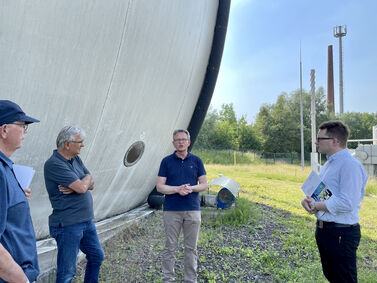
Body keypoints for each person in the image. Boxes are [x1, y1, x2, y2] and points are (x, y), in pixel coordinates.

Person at [301, 120, 367, 283]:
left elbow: (347, 203)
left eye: (319, 138)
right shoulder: (329, 164)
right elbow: (326, 196)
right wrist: (310, 203)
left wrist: (316, 205)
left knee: (344, 279)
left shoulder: (349, 166)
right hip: (326, 232)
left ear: (335, 141)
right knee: (332, 276)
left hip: (341, 234)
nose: (316, 142)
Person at [44, 126, 104, 283]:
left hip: (86, 221)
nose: (82, 145)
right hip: (68, 225)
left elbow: (90, 183)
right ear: (67, 144)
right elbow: (84, 186)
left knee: (97, 256)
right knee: (67, 272)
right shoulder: (54, 164)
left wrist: (80, 184)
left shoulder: (75, 159)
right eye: (80, 142)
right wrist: (81, 185)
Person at [156, 129, 208, 283]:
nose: (180, 142)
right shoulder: (166, 161)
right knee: (170, 247)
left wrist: (190, 188)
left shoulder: (197, 161)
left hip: (192, 209)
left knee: (191, 248)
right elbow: (160, 187)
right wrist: (177, 189)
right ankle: (168, 279)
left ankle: (190, 280)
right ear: (173, 143)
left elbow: (204, 184)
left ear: (188, 142)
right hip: (172, 211)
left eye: (183, 139)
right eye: (177, 140)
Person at [0, 100, 40, 283]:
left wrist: (20, 203)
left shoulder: (7, 168)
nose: (25, 132)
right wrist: (22, 280)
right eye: (22, 126)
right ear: (4, 130)